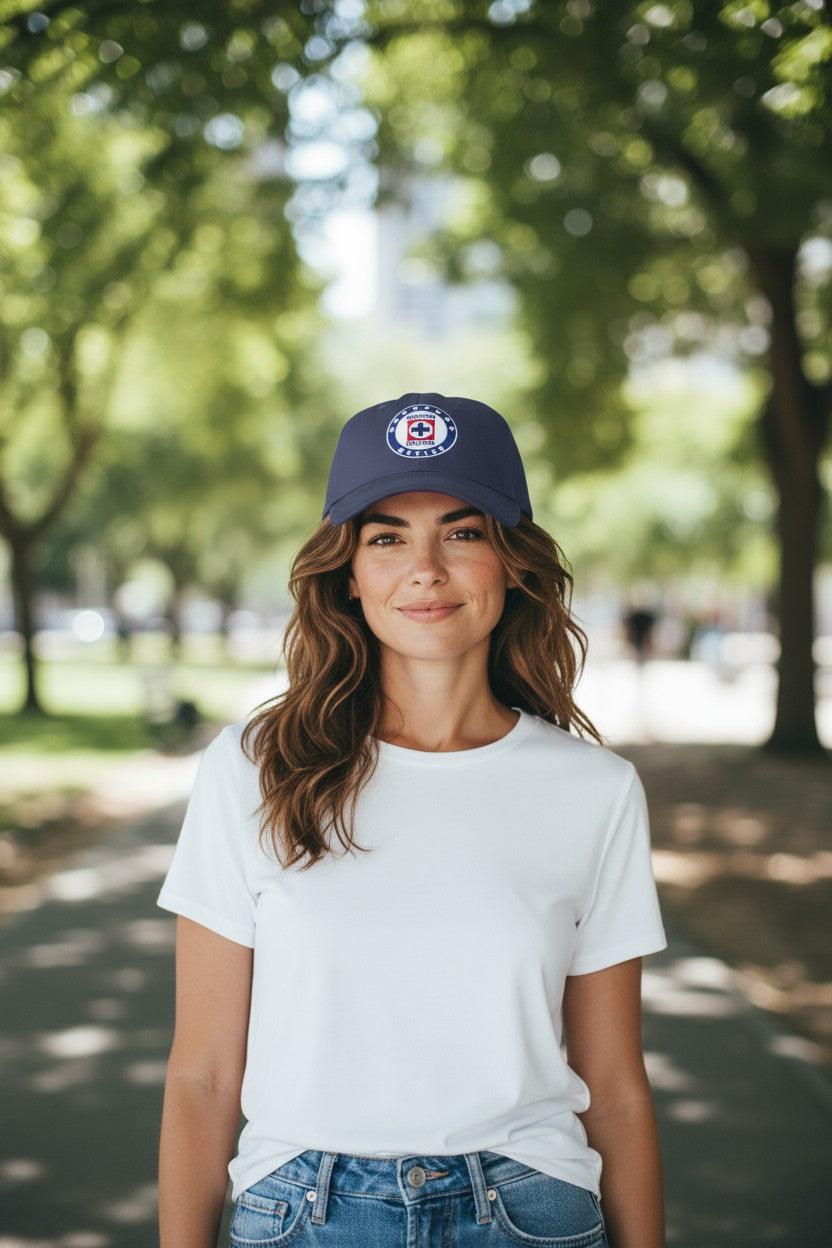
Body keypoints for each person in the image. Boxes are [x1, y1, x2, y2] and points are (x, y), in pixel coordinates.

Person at [156, 392, 669, 1248]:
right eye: (387, 537)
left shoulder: (596, 790)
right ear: (347, 573)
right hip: (301, 1214)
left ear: (514, 563)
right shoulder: (252, 767)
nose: (425, 569)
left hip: (527, 1212)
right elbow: (203, 1076)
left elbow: (614, 1084)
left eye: (463, 533)